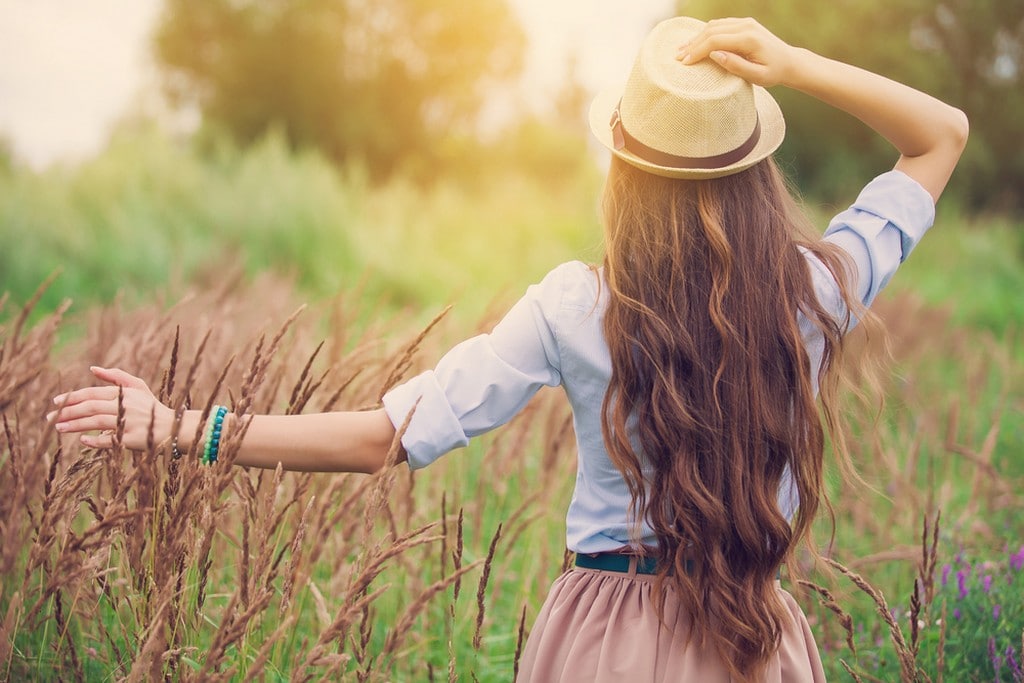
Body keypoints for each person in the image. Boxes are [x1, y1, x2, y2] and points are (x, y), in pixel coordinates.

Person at [49, 16, 967, 682]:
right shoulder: (813, 290)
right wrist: (795, 61)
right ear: (754, 172)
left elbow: (383, 437)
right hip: (752, 641)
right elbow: (940, 136)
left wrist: (179, 426)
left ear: (624, 168)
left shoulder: (576, 305)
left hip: (601, 645)